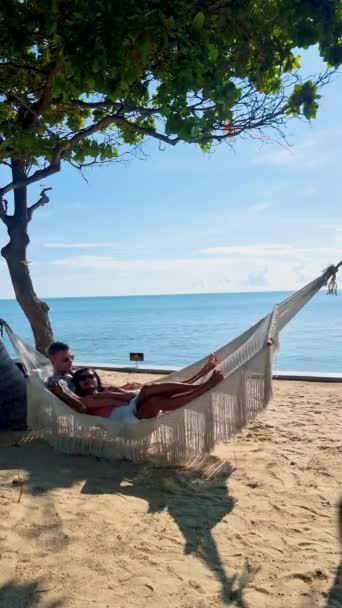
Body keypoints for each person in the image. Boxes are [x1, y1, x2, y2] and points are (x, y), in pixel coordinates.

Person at [49, 356, 223, 422]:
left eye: (91, 376)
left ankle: (200, 381)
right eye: (82, 379)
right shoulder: (85, 400)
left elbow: (129, 396)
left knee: (152, 395)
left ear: (97, 379)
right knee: (149, 391)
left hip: (134, 408)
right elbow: (78, 404)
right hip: (129, 419)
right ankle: (203, 385)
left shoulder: (106, 389)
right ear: (77, 384)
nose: (87, 380)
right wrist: (62, 391)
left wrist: (129, 390)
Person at [46, 341, 141, 392]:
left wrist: (121, 387)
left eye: (72, 357)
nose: (71, 362)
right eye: (66, 359)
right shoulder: (58, 381)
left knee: (136, 385)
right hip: (103, 405)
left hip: (106, 395)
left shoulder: (70, 374)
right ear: (52, 361)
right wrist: (121, 392)